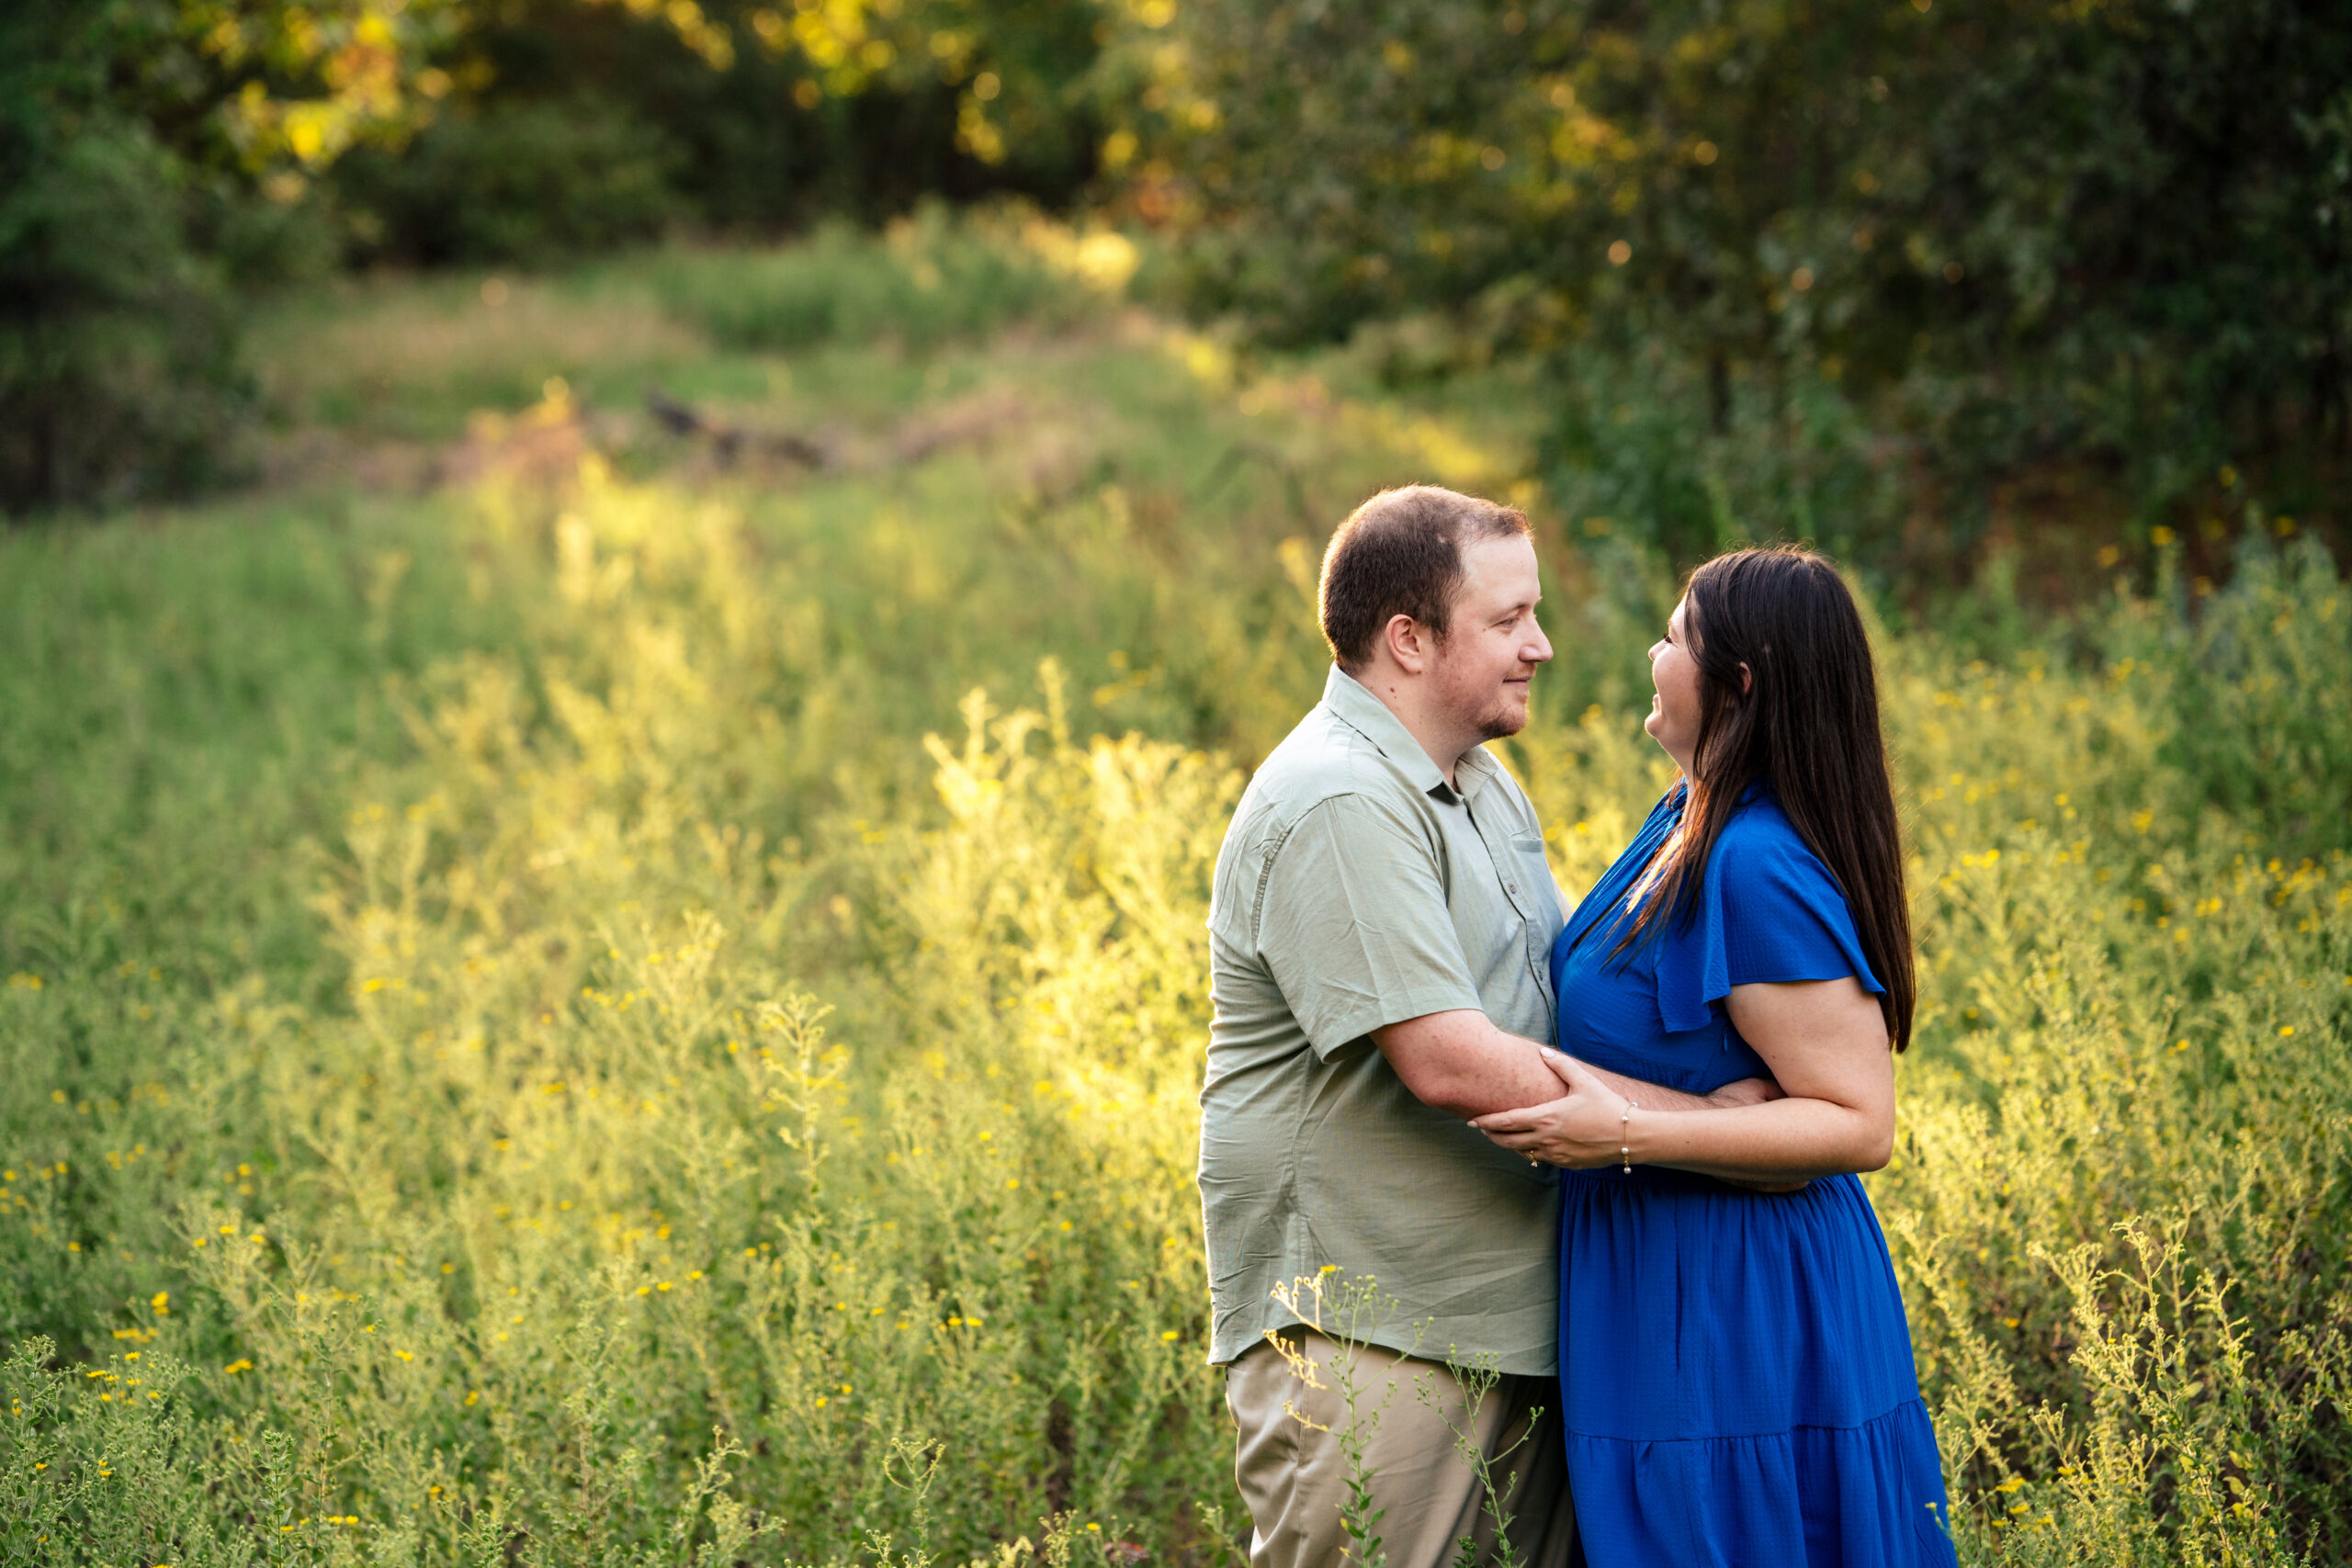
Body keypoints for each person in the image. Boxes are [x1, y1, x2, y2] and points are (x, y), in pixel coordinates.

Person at [1201, 486, 1776, 1568]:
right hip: (1373, 1329)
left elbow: (1546, 1007)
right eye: (1508, 620)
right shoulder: (1339, 800)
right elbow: (1450, 1063)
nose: (1541, 646)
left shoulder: (1478, 782)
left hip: (1516, 1315)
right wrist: (1707, 1123)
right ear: (1407, 641)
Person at [1472, 547, 1959, 1565]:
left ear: (1734, 683)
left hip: (1737, 1303)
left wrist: (1632, 1135)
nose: (1650, 654)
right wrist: (1706, 1117)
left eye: (1672, 635)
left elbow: (1858, 1120)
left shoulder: (1752, 861)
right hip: (1665, 1272)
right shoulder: (1686, 817)